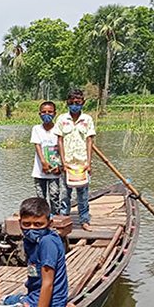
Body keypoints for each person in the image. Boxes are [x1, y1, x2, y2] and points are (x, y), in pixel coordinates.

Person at [54, 88, 96, 231]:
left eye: (77, 102)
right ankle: (64, 220)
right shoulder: (61, 119)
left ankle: (84, 220)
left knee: (83, 195)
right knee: (65, 194)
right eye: (72, 102)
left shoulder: (87, 119)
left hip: (82, 163)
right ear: (67, 103)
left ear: (83, 102)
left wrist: (89, 163)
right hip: (67, 164)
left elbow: (89, 141)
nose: (74, 105)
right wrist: (63, 162)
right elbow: (60, 140)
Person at [31, 101, 62, 216]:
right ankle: (42, 217)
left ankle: (56, 216)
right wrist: (43, 162)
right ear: (39, 114)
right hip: (40, 171)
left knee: (54, 194)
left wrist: (60, 166)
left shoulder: (58, 129)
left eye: (50, 112)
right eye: (44, 112)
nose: (46, 114)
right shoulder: (36, 129)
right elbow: (37, 146)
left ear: (55, 114)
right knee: (40, 197)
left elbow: (61, 149)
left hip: (55, 170)